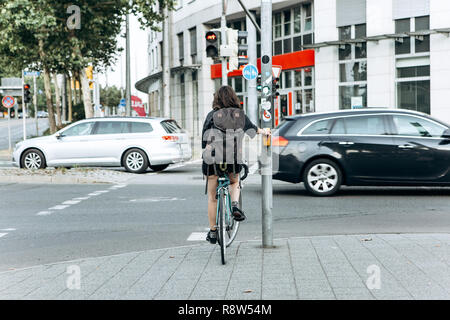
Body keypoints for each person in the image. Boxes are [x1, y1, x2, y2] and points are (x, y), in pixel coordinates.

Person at [202, 85, 270, 244]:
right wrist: (264, 131)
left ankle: (213, 232)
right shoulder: (240, 115)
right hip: (233, 159)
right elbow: (253, 131)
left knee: (212, 197)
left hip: (212, 160)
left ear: (216, 99)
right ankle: (234, 205)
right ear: (233, 98)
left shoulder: (211, 116)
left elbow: (204, 141)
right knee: (234, 182)